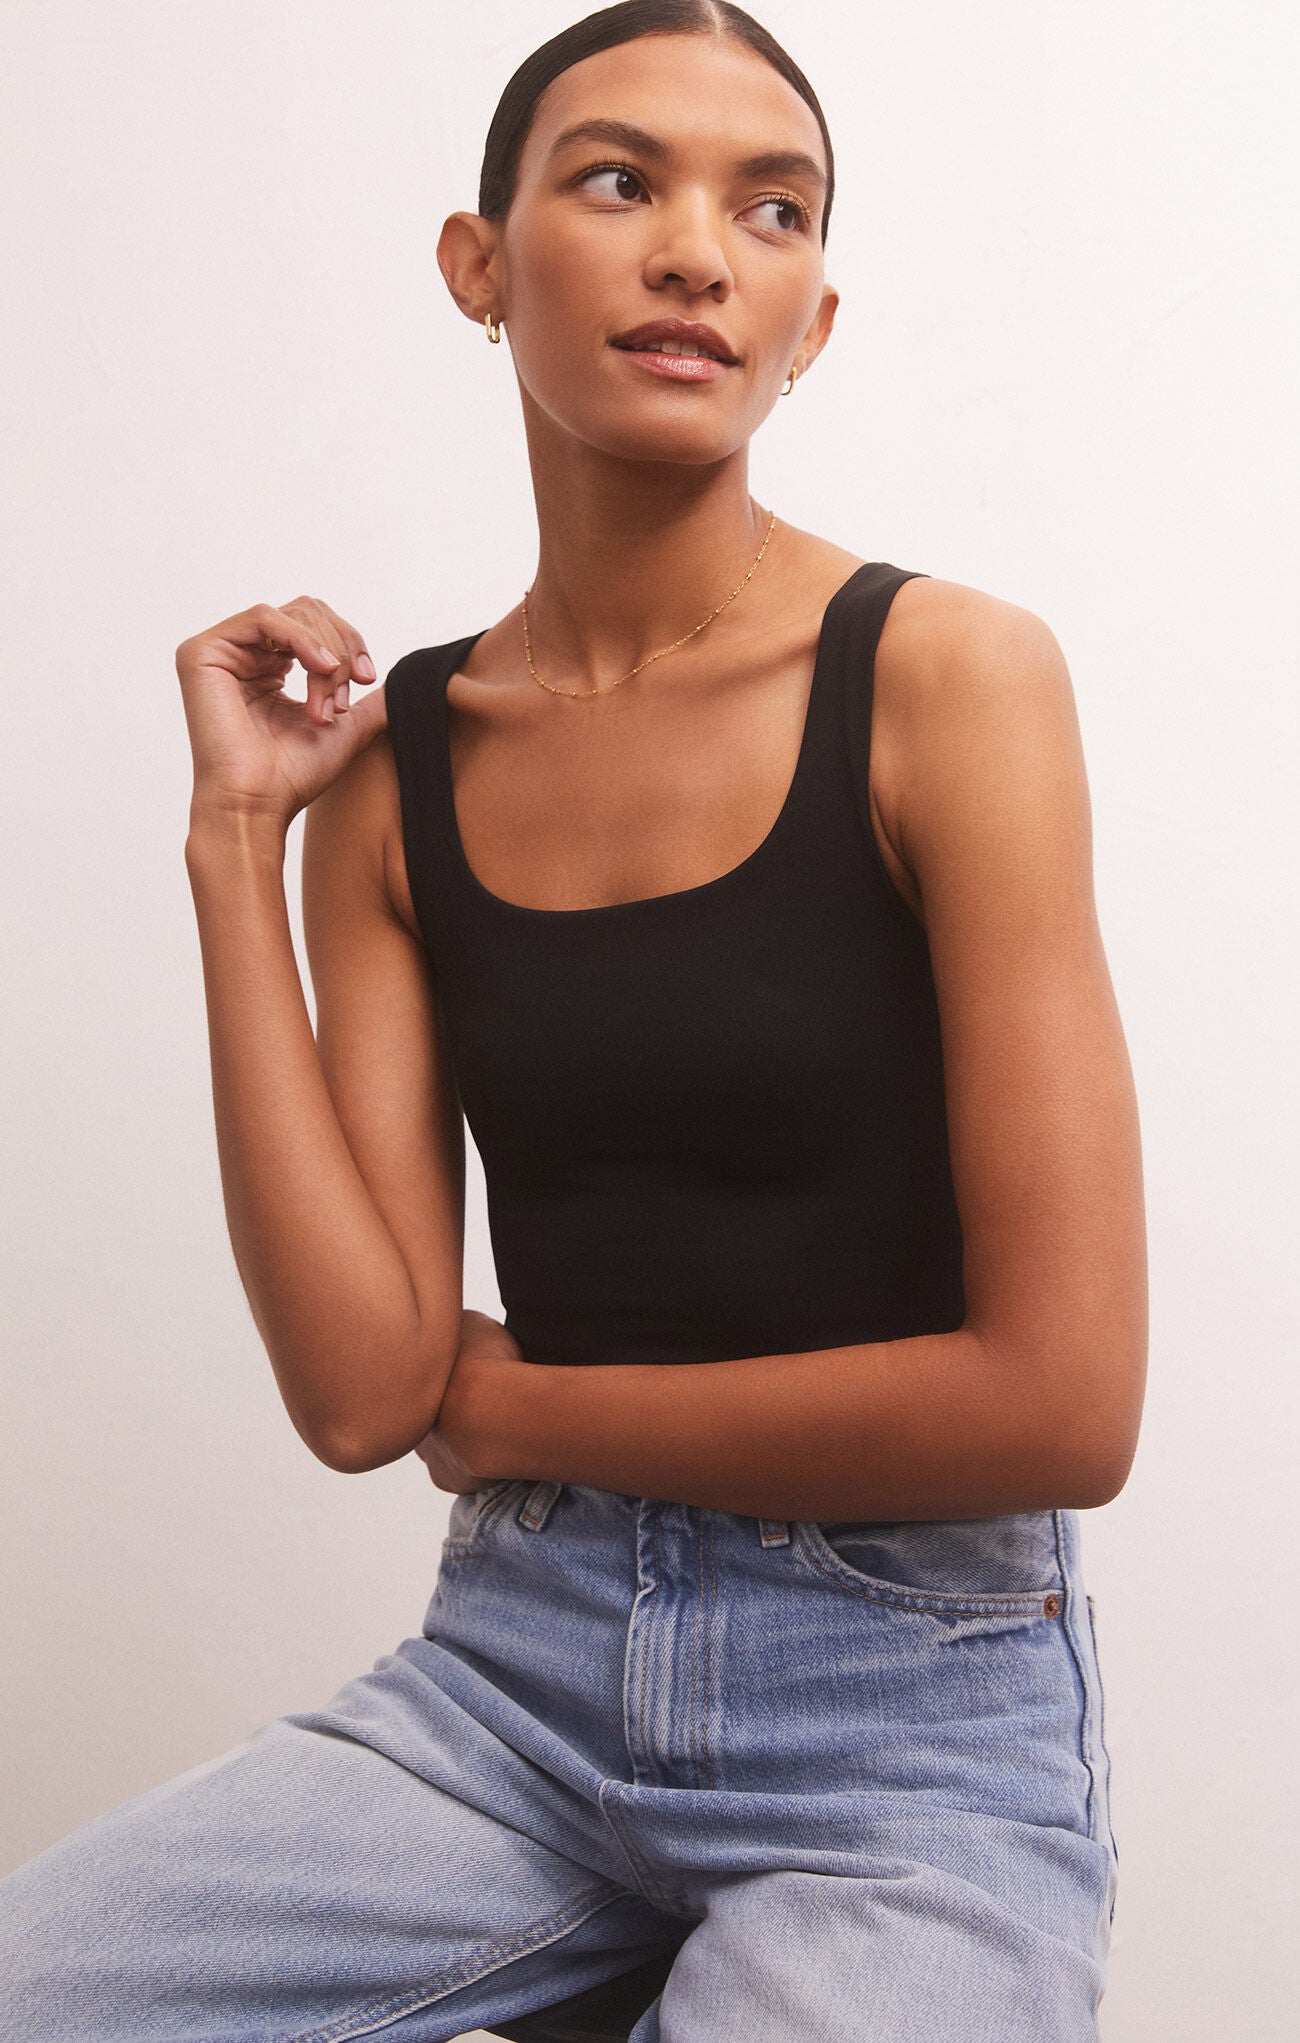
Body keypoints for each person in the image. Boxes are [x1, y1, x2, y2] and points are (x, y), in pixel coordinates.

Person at [0, 2, 1146, 2037]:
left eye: (770, 210)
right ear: (479, 261)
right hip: (511, 1688)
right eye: (619, 181)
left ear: (810, 318)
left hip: (906, 1734)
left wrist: (525, 1407)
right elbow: (364, 1388)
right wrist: (234, 843)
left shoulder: (948, 678)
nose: (698, 251)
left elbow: (1062, 1404)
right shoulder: (396, 765)